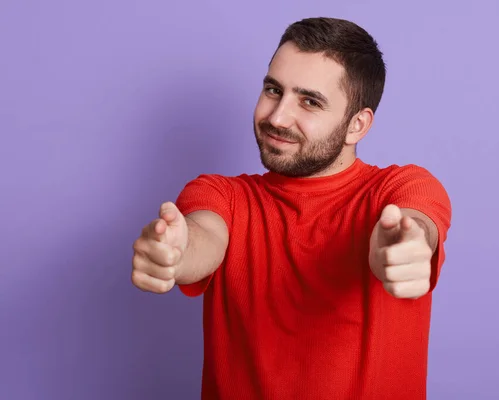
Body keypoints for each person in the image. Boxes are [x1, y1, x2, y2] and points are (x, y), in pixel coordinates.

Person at [132, 17, 452, 400]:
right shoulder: (221, 194)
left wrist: (409, 246)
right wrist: (175, 251)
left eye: (310, 101)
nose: (277, 117)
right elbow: (203, 236)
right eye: (273, 90)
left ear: (357, 125)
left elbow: (418, 224)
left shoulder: (400, 190)